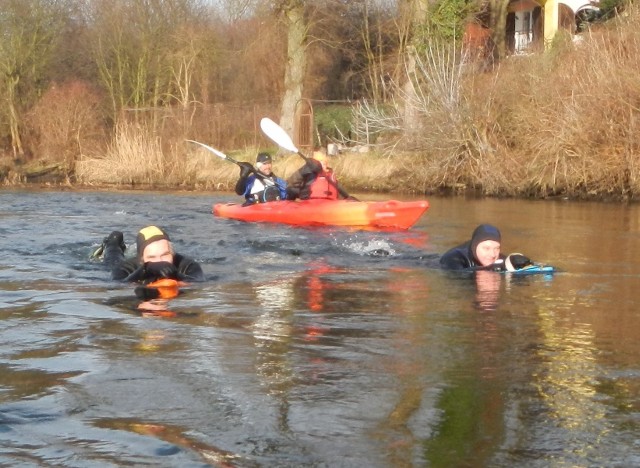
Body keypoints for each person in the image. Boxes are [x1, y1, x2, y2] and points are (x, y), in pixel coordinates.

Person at [94, 225, 204, 299]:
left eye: (165, 255)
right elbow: (117, 284)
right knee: (113, 258)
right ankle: (112, 242)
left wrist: (174, 274)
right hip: (117, 261)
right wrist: (146, 268)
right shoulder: (126, 266)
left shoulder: (187, 264)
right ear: (142, 258)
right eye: (152, 257)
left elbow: (198, 282)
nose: (160, 262)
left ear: (172, 253)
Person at [439, 224, 533, 271]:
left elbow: (506, 263)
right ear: (475, 246)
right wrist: (498, 267)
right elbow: (459, 275)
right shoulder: (453, 258)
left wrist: (518, 262)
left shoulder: (495, 257)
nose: (492, 255)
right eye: (486, 248)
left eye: (496, 248)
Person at [286, 151, 351, 201]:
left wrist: (350, 199)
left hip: (329, 205)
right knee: (290, 190)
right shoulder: (308, 172)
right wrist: (303, 171)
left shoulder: (330, 176)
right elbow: (291, 184)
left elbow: (343, 193)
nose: (323, 164)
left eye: (324, 162)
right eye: (320, 162)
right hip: (309, 204)